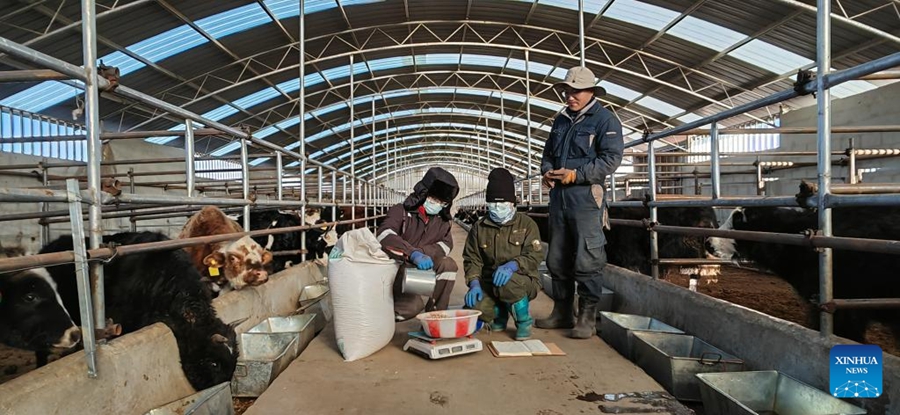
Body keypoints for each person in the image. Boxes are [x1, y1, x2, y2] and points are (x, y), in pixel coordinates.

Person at [537, 66, 624, 339]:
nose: (570, 96)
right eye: (567, 90)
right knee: (557, 257)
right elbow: (548, 153)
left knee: (588, 257)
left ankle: (587, 316)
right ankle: (562, 311)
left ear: (591, 92)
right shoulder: (560, 120)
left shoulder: (605, 120)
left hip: (585, 198)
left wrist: (577, 174)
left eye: (576, 91)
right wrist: (546, 171)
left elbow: (611, 159)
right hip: (559, 198)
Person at [462, 168, 543, 340]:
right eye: (493, 204)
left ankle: (524, 321)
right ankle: (499, 314)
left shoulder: (527, 224)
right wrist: (474, 283)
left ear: (513, 203)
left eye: (502, 204)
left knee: (507, 283)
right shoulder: (479, 227)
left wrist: (514, 265)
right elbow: (472, 258)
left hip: (522, 280)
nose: (498, 208)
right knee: (474, 306)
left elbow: (534, 256)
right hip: (490, 282)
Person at [377, 167, 460, 321]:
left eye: (442, 203)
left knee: (448, 265)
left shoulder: (442, 221)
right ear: (423, 194)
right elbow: (384, 234)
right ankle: (379, 309)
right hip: (397, 270)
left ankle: (436, 316)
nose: (437, 205)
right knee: (410, 309)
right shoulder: (400, 211)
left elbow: (447, 244)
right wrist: (412, 253)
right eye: (434, 199)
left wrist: (424, 252)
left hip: (421, 268)